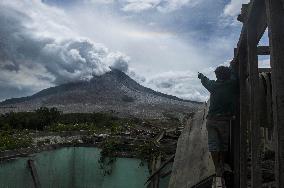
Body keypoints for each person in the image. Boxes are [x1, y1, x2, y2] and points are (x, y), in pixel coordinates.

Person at [198, 64, 237, 187]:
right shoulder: (232, 83)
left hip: (212, 120)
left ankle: (217, 168)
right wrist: (231, 67)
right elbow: (234, 75)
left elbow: (205, 81)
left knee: (213, 145)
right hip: (224, 120)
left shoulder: (214, 86)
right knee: (223, 144)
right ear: (227, 75)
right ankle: (222, 163)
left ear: (217, 75)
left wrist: (201, 75)